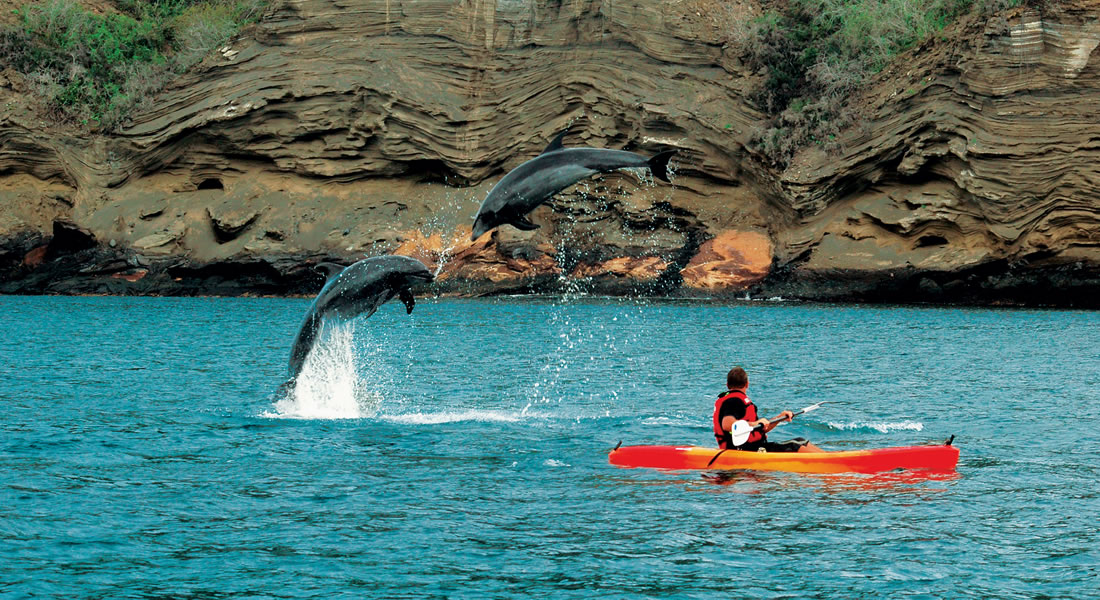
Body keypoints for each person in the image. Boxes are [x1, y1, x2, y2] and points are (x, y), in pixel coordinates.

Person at [712, 367, 824, 453]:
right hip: (745, 451)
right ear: (747, 384)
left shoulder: (737, 402)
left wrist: (780, 418)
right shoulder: (734, 401)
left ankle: (829, 457)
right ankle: (829, 463)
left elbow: (760, 429)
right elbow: (727, 424)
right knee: (796, 444)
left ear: (727, 385)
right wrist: (755, 423)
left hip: (753, 448)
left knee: (800, 440)